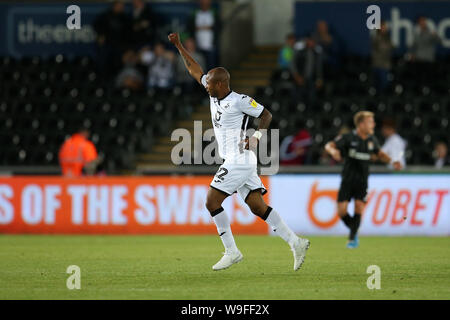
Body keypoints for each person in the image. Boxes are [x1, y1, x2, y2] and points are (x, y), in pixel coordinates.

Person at [168, 32, 310, 271]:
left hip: (239, 159)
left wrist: (256, 137)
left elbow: (266, 115)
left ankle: (232, 251)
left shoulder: (240, 100)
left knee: (212, 201)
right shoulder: (214, 94)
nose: (206, 86)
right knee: (257, 206)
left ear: (221, 84)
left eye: (210, 84)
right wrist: (179, 46)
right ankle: (296, 242)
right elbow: (194, 70)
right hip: (236, 160)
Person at [324, 111, 402, 249]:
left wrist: (392, 162)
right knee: (342, 211)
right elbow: (329, 145)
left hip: (362, 181)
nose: (373, 124)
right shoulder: (348, 137)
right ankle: (355, 230)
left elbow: (380, 154)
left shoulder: (372, 140)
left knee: (359, 207)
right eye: (370, 121)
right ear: (361, 124)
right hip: (347, 179)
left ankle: (352, 238)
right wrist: (333, 151)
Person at [93, 1, 132, 77]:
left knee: (118, 64)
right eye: (120, 5)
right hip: (107, 44)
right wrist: (101, 35)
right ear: (115, 6)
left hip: (120, 46)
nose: (121, 7)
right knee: (103, 61)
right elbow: (96, 25)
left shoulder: (124, 18)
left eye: (122, 6)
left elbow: (128, 33)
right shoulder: (106, 15)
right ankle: (101, 77)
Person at [188, 0, 221, 70]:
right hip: (198, 46)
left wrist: (209, 27)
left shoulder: (214, 13)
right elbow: (190, 28)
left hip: (211, 47)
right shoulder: (195, 14)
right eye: (203, 2)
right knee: (199, 69)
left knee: (211, 68)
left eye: (207, 2)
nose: (205, 3)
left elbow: (219, 27)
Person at [291, 36, 323, 105]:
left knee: (312, 98)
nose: (311, 43)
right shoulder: (299, 51)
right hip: (300, 78)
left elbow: (318, 67)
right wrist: (296, 75)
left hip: (312, 79)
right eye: (309, 41)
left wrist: (319, 78)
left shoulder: (316, 52)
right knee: (298, 97)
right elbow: (293, 64)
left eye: (312, 41)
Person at [371, 21, 393, 92]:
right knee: (378, 84)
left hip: (385, 64)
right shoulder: (377, 38)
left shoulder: (387, 37)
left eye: (385, 27)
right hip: (378, 64)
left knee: (385, 84)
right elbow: (383, 49)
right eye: (383, 27)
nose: (385, 28)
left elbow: (390, 48)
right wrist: (389, 46)